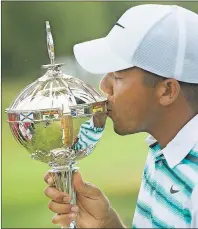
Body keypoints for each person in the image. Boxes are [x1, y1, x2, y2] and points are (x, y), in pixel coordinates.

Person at [44, 4, 198, 228]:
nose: (103, 86)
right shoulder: (164, 151)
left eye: (117, 76)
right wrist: (107, 223)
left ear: (167, 91)